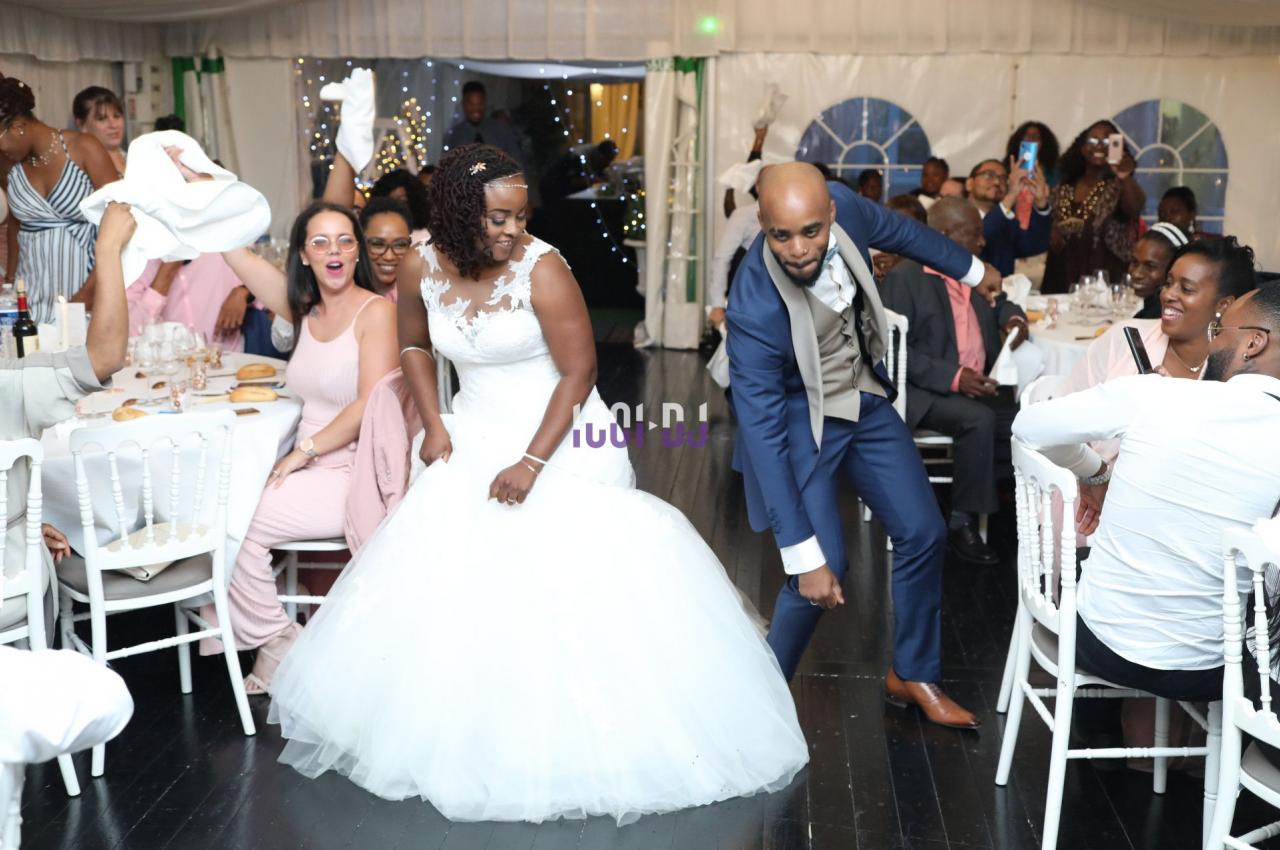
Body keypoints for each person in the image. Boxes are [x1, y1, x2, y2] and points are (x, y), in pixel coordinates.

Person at [266, 144, 808, 822]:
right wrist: (433, 424)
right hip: (473, 432)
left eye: (520, 216)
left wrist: (530, 464)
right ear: (459, 213)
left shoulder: (542, 269)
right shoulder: (420, 266)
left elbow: (580, 374)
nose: (512, 230)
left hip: (562, 437)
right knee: (468, 588)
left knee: (562, 583)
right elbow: (413, 346)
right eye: (498, 218)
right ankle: (480, 732)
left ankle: (576, 740)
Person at [726, 163, 1004, 730]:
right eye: (781, 235)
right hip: (798, 424)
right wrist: (802, 556)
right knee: (821, 568)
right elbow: (762, 434)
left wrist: (974, 270)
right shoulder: (751, 306)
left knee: (923, 531)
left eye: (811, 231)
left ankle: (912, 674)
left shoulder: (849, 207)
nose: (799, 250)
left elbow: (907, 233)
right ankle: (761, 705)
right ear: (762, 223)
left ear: (832, 212)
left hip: (864, 400)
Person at [1010, 281, 1280, 723]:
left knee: (1091, 562)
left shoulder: (1154, 393)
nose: (1212, 341)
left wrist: (1094, 471)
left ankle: (1100, 734)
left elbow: (1030, 425)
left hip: (1102, 643)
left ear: (1254, 343)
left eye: (1220, 330)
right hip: (1212, 670)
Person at [212, 200, 398, 695]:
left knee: (231, 520)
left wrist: (305, 450)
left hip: (349, 473)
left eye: (344, 240)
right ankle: (278, 637)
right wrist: (195, 186)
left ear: (356, 251)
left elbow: (370, 403)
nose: (333, 251)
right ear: (303, 254)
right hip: (309, 468)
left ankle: (277, 643)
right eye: (320, 242)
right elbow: (236, 254)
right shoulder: (304, 309)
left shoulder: (376, 313)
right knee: (220, 504)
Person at [881, 197, 1028, 566]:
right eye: (974, 234)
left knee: (1027, 418)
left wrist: (1013, 319)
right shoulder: (906, 278)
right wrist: (955, 378)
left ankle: (1002, 499)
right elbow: (896, 351)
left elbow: (1002, 302)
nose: (982, 241)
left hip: (977, 384)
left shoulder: (974, 273)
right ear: (945, 235)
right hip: (923, 390)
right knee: (979, 420)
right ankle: (961, 522)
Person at [2, 202, 131, 580]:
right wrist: (107, 249)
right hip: (12, 592)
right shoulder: (9, 385)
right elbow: (105, 357)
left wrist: (15, 526)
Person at [1058, 236, 1257, 462]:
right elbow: (1065, 416)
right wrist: (1093, 472)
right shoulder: (1123, 338)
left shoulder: (1237, 371)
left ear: (1223, 305)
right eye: (1168, 283)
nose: (1167, 295)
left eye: (1186, 289)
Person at [0, 76, 117, 323]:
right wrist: (9, 287)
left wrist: (88, 293)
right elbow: (15, 226)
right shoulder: (8, 164)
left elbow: (118, 223)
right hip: (29, 294)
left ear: (18, 127)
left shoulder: (84, 148)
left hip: (85, 288)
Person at [1042, 120, 1145, 294]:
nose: (1099, 146)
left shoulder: (1119, 186)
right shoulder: (1065, 186)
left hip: (1105, 277)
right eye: (1093, 140)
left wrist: (1124, 177)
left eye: (1107, 142)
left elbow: (1135, 209)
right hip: (1061, 274)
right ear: (1083, 149)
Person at [126, 254, 254, 350]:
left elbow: (264, 291)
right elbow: (130, 335)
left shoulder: (221, 247)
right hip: (168, 370)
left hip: (227, 364)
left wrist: (244, 292)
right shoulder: (138, 262)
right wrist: (166, 273)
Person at [967, 157, 1051, 277]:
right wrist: (1012, 195)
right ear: (969, 184)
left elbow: (1035, 245)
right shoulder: (955, 214)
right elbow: (980, 239)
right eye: (988, 175)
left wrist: (1041, 202)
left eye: (1003, 178)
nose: (997, 182)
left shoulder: (1006, 222)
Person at [443, 81, 525, 168]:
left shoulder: (501, 130)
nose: (476, 108)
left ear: (485, 103)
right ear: (463, 104)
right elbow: (448, 168)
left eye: (480, 103)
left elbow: (517, 162)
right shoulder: (455, 135)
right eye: (471, 104)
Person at [1128, 221, 1189, 320]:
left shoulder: (1164, 317)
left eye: (1150, 266)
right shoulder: (1152, 308)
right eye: (1135, 262)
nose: (1137, 274)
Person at [72, 86, 126, 178]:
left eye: (116, 116)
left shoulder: (137, 158)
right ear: (81, 125)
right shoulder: (79, 170)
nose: (113, 125)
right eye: (102, 119)